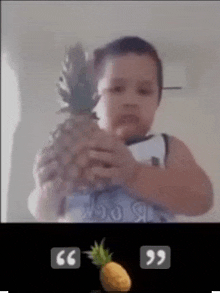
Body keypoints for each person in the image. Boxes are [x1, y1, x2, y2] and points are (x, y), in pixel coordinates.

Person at [28, 36, 213, 222]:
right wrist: (46, 195)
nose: (130, 101)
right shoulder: (73, 149)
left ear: (157, 101)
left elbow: (202, 199)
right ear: (94, 99)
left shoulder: (166, 147)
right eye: (116, 89)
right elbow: (44, 215)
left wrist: (135, 174)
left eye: (144, 91)